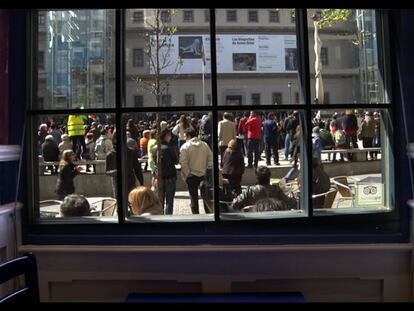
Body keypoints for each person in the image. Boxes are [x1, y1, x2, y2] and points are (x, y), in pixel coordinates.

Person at [231, 166, 297, 211]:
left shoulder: (249, 190)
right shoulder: (276, 189)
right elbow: (291, 203)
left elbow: (234, 204)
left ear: (257, 177)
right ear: (269, 177)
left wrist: (247, 208)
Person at [180, 127, 213, 214]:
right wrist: (206, 168)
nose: (184, 138)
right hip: (203, 174)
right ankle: (209, 214)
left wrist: (187, 173)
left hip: (191, 175)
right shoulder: (204, 145)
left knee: (193, 197)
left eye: (184, 136)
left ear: (188, 136)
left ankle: (196, 216)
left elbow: (183, 162)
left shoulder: (185, 147)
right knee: (206, 197)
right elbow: (211, 158)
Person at [152, 128, 179, 215]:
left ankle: (160, 216)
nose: (170, 137)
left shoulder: (154, 148)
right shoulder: (170, 148)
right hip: (170, 176)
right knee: (169, 201)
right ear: (166, 136)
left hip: (159, 176)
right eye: (169, 135)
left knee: (160, 200)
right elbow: (176, 161)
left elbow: (154, 161)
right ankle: (168, 218)